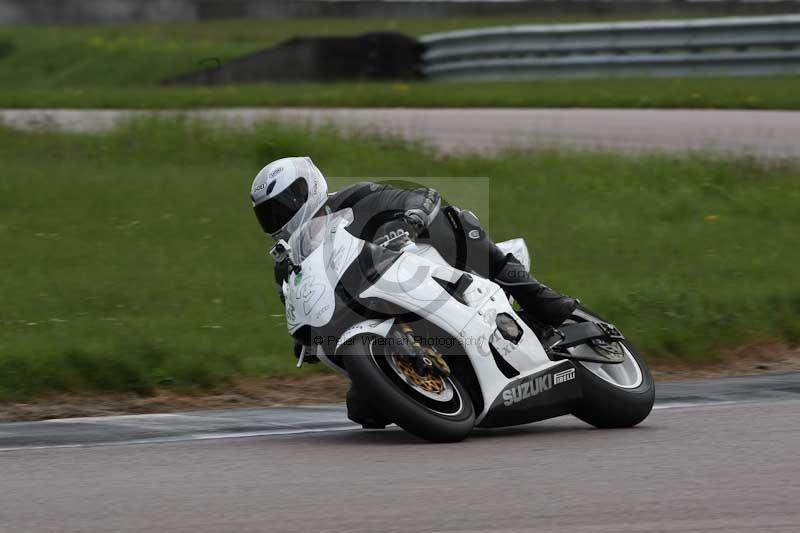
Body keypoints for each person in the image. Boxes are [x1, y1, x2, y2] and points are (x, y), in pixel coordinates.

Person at [251, 156, 577, 426]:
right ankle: (433, 382)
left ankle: (536, 294)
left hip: (417, 267)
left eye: (287, 201)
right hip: (363, 316)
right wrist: (305, 339)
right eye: (270, 212)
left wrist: (414, 214)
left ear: (310, 185)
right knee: (363, 412)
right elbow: (297, 301)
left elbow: (420, 197)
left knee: (457, 220)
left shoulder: (354, 199)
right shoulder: (288, 260)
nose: (281, 215)